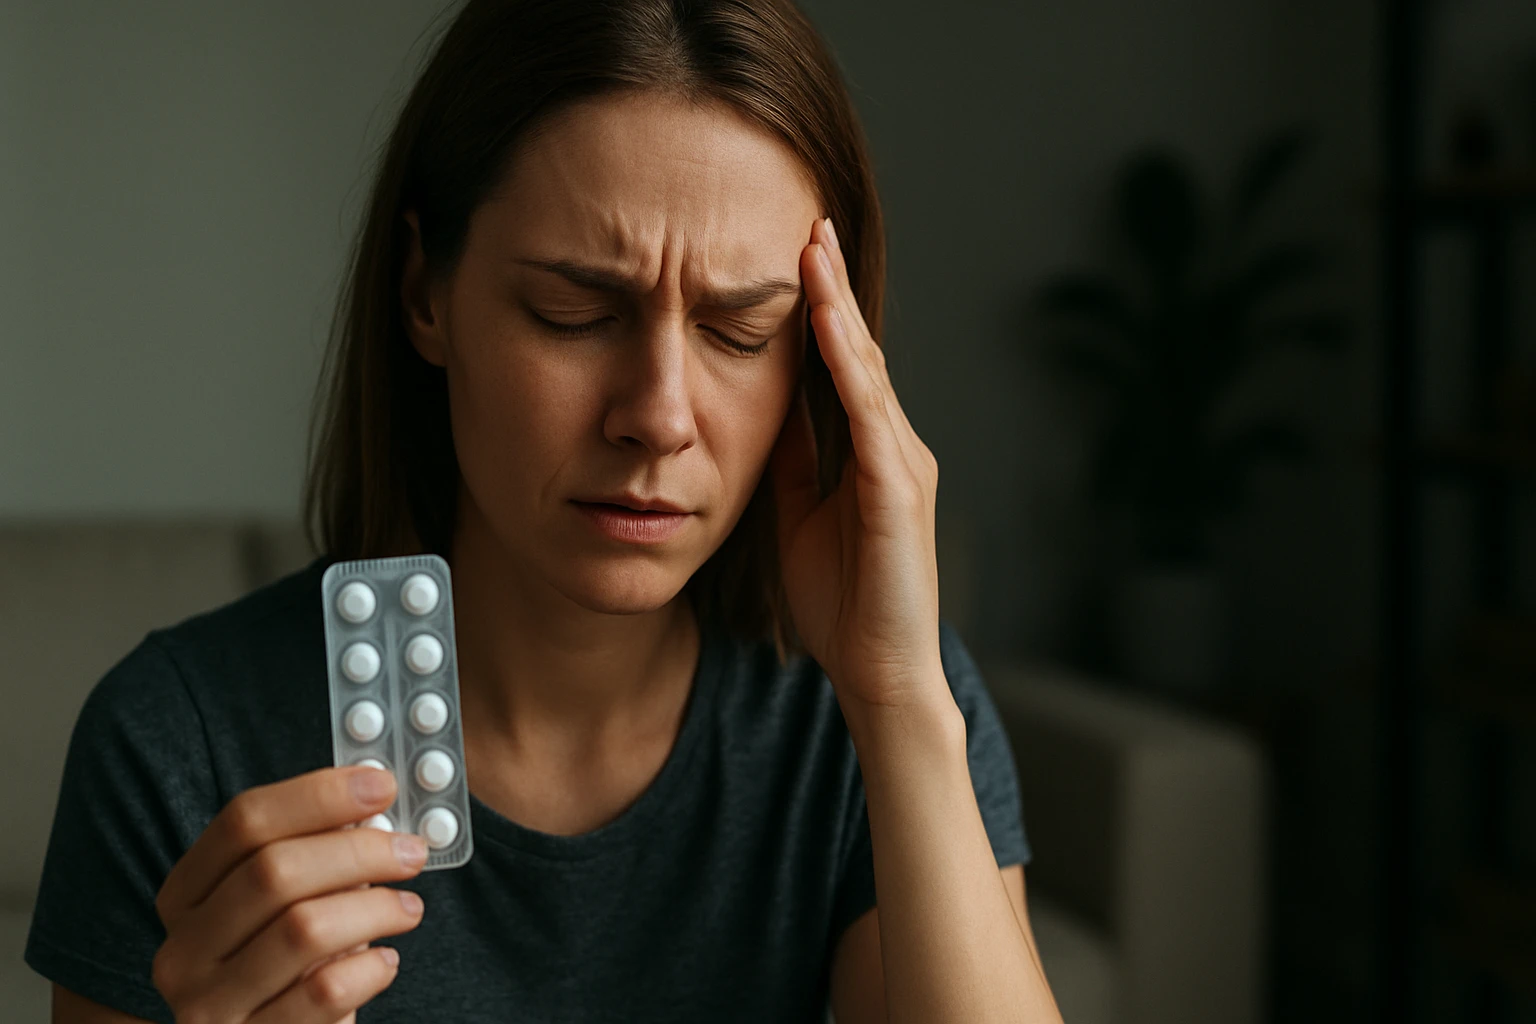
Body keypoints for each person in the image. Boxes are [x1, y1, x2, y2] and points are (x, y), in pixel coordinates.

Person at [27, 1, 1063, 1021]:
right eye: (575, 313)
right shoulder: (175, 741)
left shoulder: (869, 710)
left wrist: (899, 704)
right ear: (426, 292)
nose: (659, 417)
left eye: (740, 332)